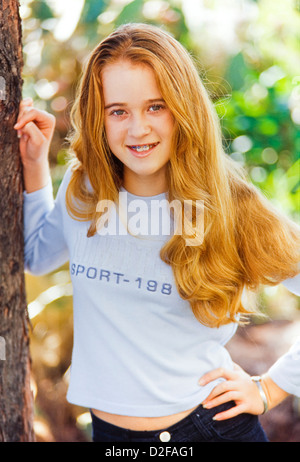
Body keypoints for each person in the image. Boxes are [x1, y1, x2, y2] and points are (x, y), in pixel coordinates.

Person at [15, 23, 299, 443]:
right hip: (112, 437)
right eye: (118, 111)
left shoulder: (229, 204)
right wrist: (36, 167)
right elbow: (39, 255)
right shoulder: (86, 186)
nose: (137, 129)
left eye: (155, 107)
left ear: (182, 107)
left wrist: (270, 388)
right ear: (100, 117)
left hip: (208, 429)